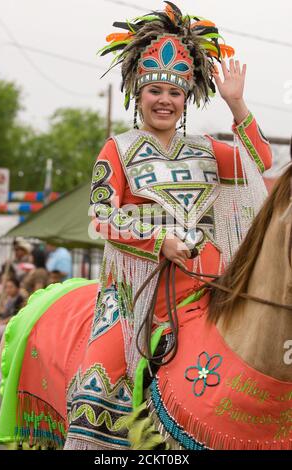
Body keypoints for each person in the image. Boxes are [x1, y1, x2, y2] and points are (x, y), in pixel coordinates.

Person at [64, 3, 272, 450]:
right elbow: (102, 216)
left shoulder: (209, 149)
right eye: (154, 89)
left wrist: (236, 102)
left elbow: (260, 164)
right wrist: (161, 242)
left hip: (213, 289)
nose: (164, 100)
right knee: (94, 388)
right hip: (137, 295)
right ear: (137, 94)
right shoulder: (117, 149)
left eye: (174, 92)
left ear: (187, 99)